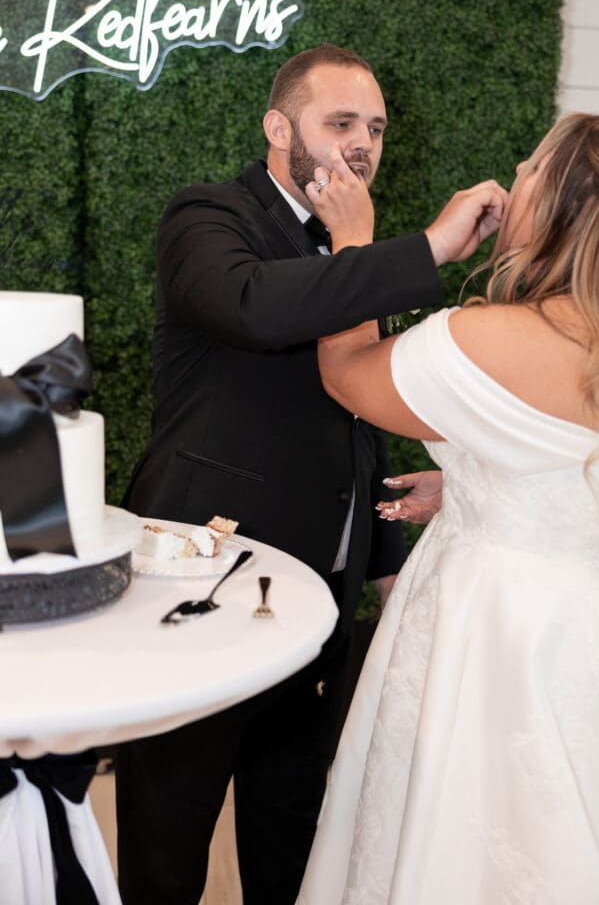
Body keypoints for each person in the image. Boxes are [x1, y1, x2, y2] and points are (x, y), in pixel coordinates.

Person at [114, 44, 504, 905]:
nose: (362, 144)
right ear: (277, 127)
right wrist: (416, 247)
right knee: (169, 818)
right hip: (203, 583)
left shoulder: (359, 246)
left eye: (374, 128)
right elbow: (252, 307)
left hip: (319, 597)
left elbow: (356, 401)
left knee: (292, 815)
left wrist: (378, 557)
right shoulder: (207, 217)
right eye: (340, 124)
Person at [297, 113, 599, 904]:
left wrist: (356, 245)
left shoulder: (485, 338)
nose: (514, 173)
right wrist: (479, 473)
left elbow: (347, 374)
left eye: (533, 166)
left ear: (564, 204)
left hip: (498, 638)